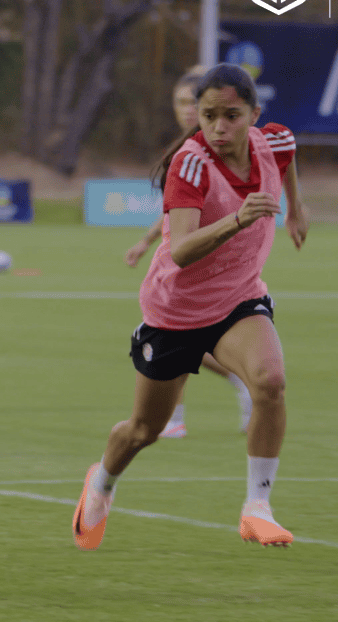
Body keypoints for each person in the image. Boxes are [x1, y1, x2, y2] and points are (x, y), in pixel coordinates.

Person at [73, 63, 308, 551]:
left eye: (231, 116)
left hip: (238, 298)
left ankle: (257, 508)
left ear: (254, 115)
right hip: (176, 312)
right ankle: (102, 482)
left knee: (270, 381)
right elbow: (181, 250)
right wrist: (239, 219)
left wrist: (296, 211)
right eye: (208, 116)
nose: (219, 127)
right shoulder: (191, 165)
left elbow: (285, 158)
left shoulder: (274, 141)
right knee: (144, 430)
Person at [124, 66, 253, 438]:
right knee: (175, 334)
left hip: (203, 257)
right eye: (178, 102)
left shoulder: (210, 148)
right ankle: (176, 416)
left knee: (175, 334)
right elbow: (175, 212)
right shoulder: (187, 147)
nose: (184, 109)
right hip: (184, 253)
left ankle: (236, 381)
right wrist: (146, 242)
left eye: (189, 102)